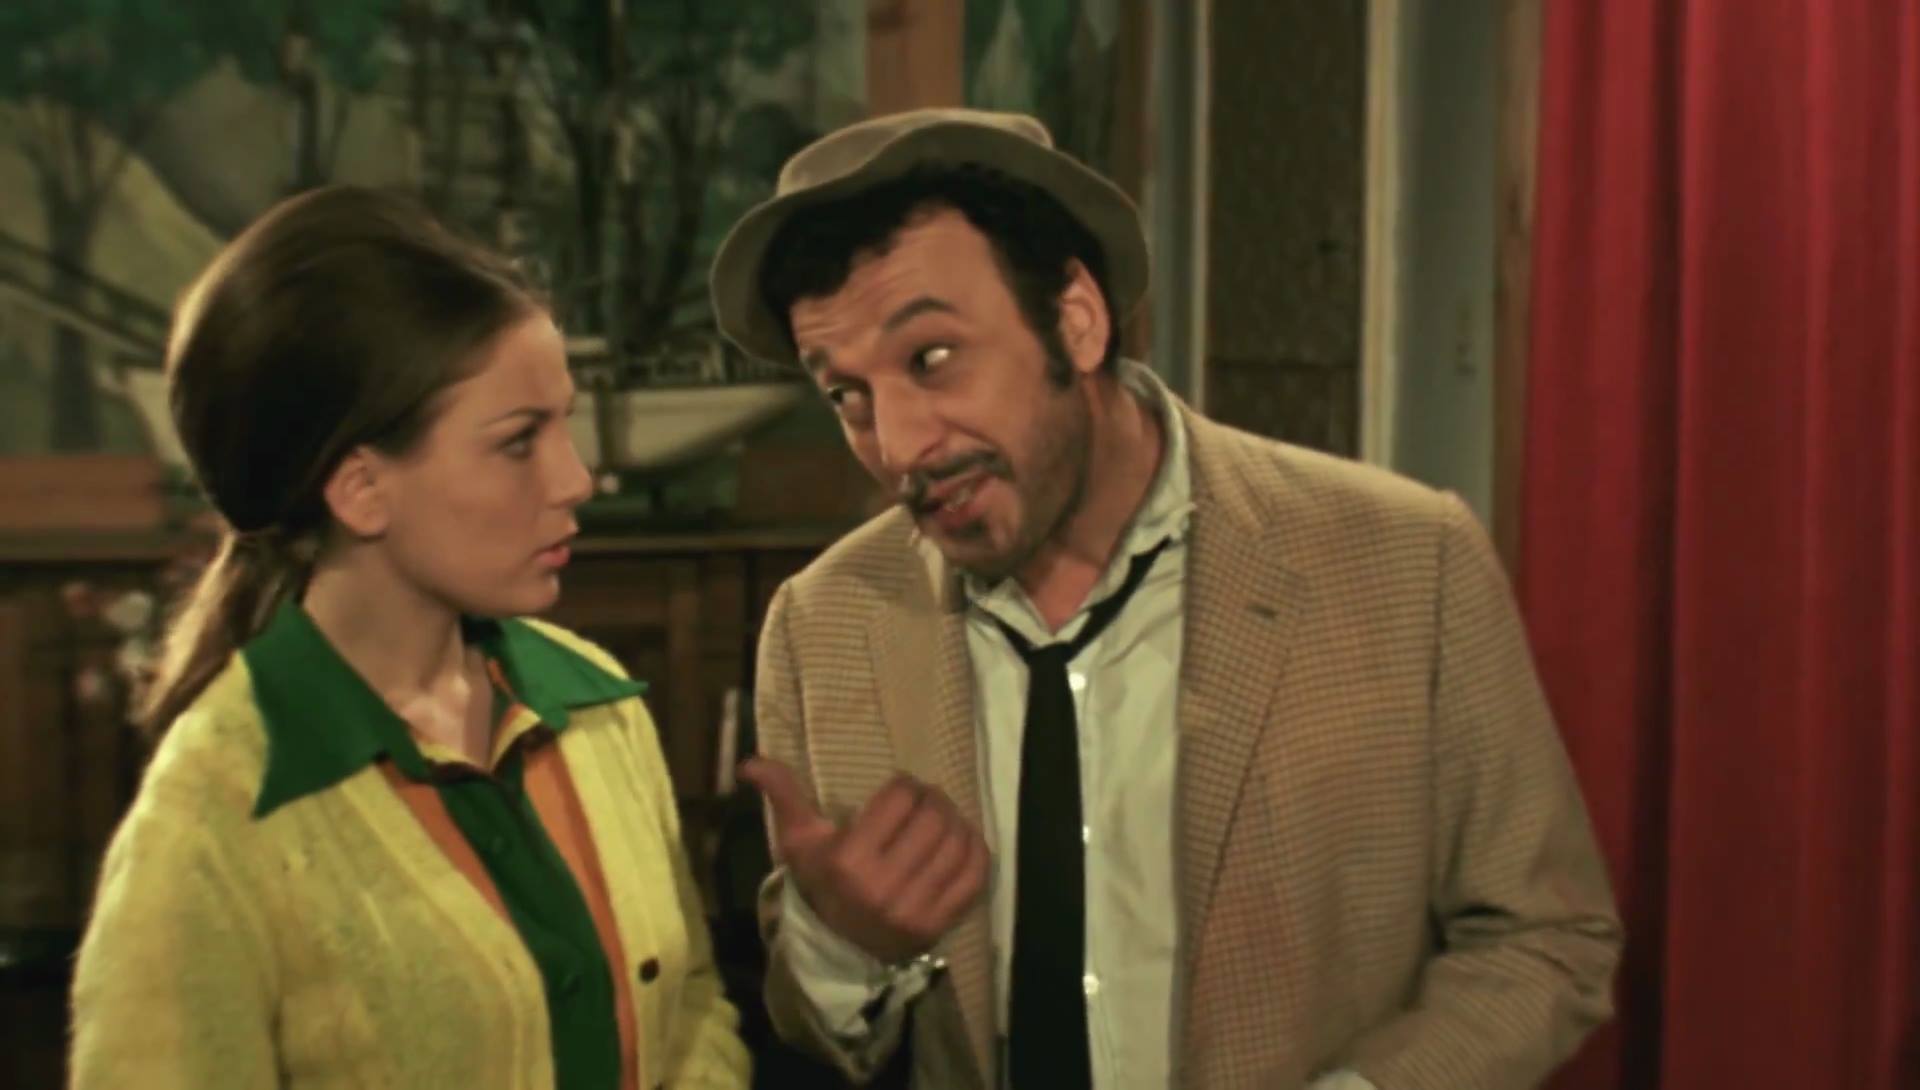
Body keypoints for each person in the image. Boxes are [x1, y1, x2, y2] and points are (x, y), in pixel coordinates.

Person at [707, 109, 1622, 1089]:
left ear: (1076, 320)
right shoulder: (825, 624)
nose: (898, 445)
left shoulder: (1405, 562)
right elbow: (817, 1031)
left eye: (932, 358)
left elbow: (1546, 940)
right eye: (846, 395)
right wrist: (847, 947)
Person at [68, 185, 750, 1089]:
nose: (576, 479)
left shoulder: (597, 706)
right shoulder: (213, 812)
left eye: (566, 424)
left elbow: (689, 1004)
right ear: (361, 489)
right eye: (519, 442)